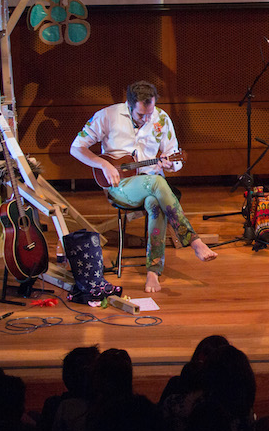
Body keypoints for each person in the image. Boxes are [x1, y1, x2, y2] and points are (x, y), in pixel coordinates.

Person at [71, 80, 216, 293]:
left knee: (155, 201)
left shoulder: (162, 118)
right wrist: (103, 164)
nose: (147, 118)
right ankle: (194, 241)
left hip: (153, 185)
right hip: (120, 186)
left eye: (150, 113)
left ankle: (153, 272)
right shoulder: (108, 116)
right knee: (158, 182)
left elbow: (175, 159)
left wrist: (170, 163)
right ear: (129, 105)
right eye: (141, 115)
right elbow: (77, 147)